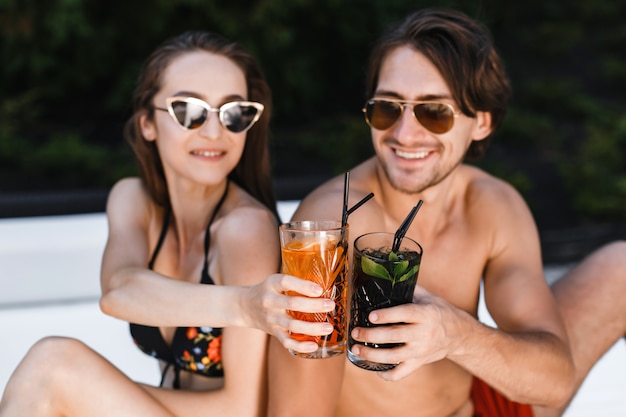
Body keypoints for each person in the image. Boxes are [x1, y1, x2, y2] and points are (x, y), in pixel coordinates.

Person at [266, 8, 626, 417]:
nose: (403, 134)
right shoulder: (338, 223)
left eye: (433, 112)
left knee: (621, 270)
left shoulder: (493, 206)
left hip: (475, 403)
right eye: (387, 108)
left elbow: (553, 380)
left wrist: (456, 335)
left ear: (481, 123)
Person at [0, 30, 334, 416]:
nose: (213, 132)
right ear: (147, 123)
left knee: (52, 365)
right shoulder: (133, 200)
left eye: (233, 113)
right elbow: (118, 291)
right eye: (189, 111)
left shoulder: (245, 229)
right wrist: (244, 305)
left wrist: (79, 389)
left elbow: (242, 408)